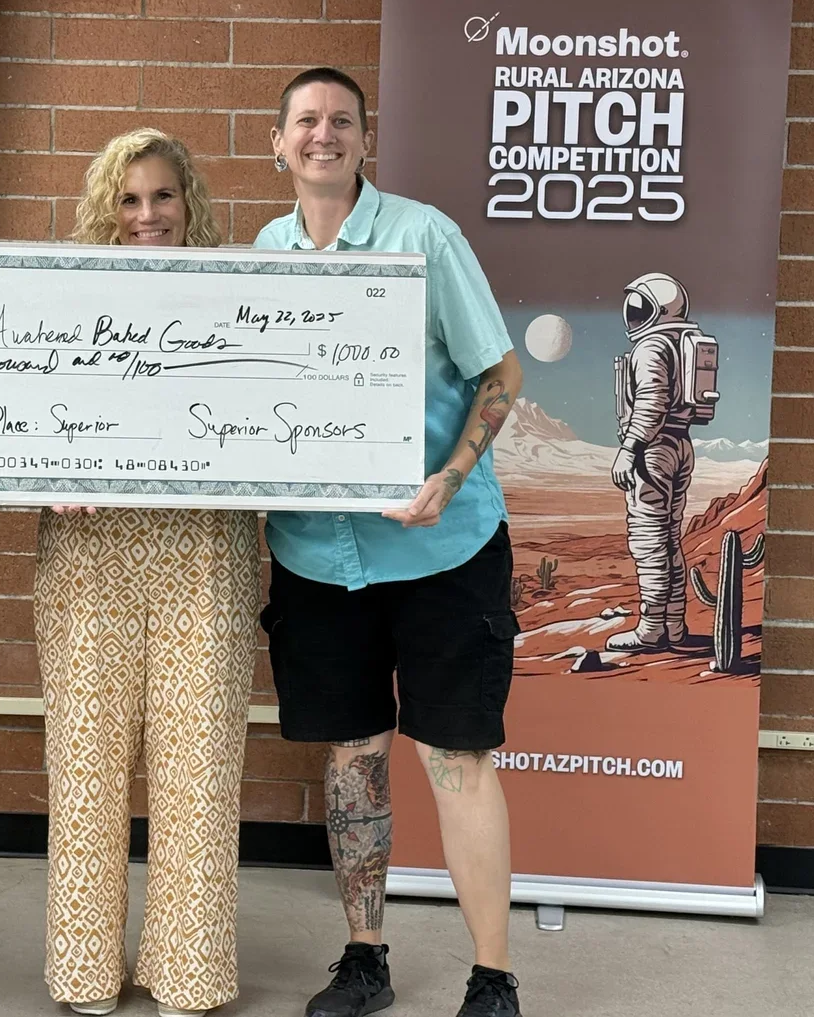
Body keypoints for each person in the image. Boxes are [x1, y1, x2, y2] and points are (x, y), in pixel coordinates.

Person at [253, 68, 526, 1017]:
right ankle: (364, 956)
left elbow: (500, 370)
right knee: (354, 760)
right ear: (277, 142)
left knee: (457, 758)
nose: (323, 135)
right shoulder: (264, 253)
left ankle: (492, 976)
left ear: (365, 140)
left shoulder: (424, 236)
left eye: (341, 122)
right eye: (306, 122)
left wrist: (448, 476)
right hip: (318, 556)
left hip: (441, 549)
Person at [33, 128, 262, 1017]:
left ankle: (188, 972)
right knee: (85, 767)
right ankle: (85, 970)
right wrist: (44, 479)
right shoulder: (57, 301)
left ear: (189, 201)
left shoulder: (241, 297)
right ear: (105, 209)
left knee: (199, 766)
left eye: (162, 196)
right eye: (128, 199)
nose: (146, 214)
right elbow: (12, 415)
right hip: (88, 557)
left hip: (206, 552)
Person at [606, 272, 712, 654]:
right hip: (679, 444)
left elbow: (651, 402)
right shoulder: (679, 342)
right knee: (668, 540)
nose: (633, 316)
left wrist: (629, 448)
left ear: (659, 310)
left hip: (653, 450)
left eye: (640, 308)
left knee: (650, 542)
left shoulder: (651, 347)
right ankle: (674, 627)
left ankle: (651, 629)